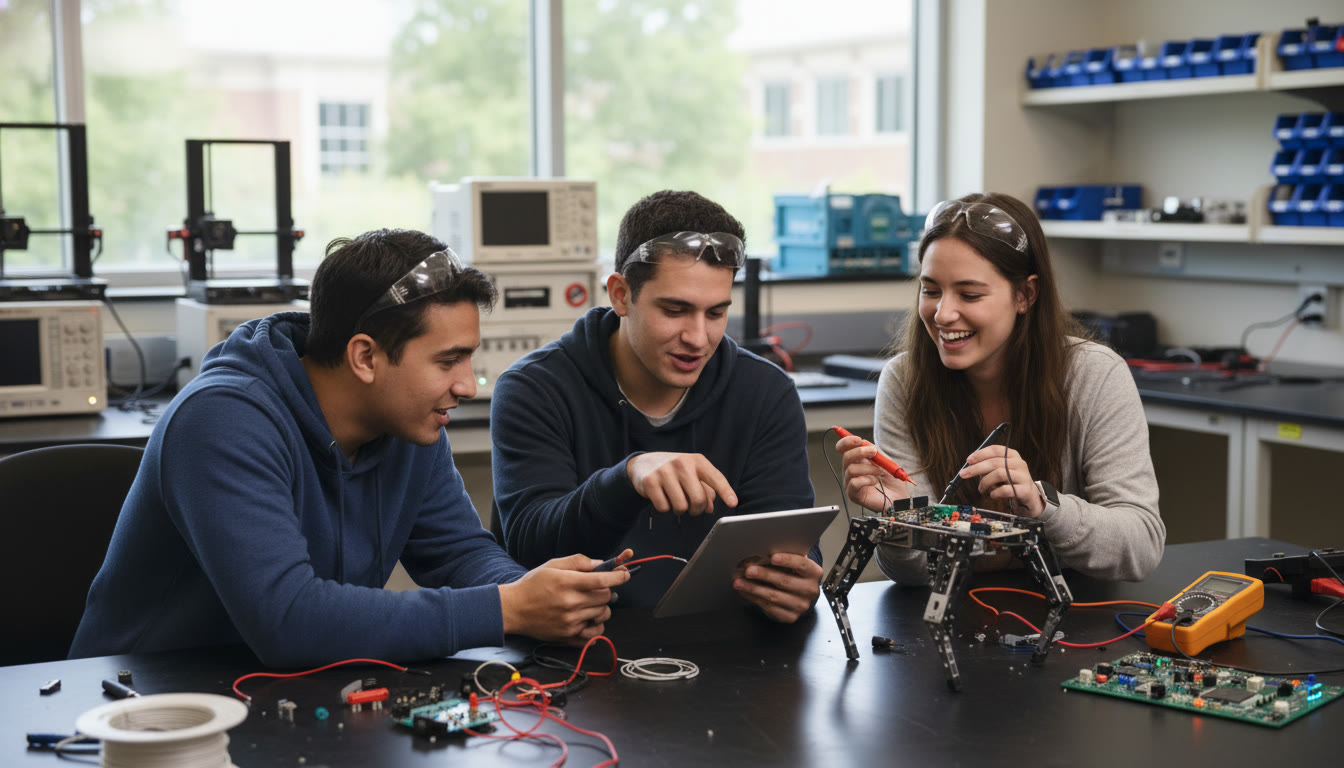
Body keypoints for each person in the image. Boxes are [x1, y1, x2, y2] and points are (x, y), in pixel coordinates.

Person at [71, 229, 628, 666]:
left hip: (289, 694)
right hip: (142, 706)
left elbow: (458, 554)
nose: (468, 386)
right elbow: (289, 619)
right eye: (448, 361)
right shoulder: (221, 420)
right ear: (365, 357)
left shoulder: (407, 421)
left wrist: (541, 593)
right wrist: (508, 608)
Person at [490, 190, 821, 622]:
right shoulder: (534, 389)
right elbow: (529, 548)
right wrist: (627, 478)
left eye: (716, 313)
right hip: (578, 652)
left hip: (721, 651)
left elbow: (787, 536)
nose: (698, 337)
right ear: (621, 294)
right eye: (675, 310)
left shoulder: (766, 392)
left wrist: (794, 582)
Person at [837, 192, 1164, 584]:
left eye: (970, 294)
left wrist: (1044, 508)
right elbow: (913, 574)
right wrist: (902, 517)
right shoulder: (904, 380)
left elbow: (1140, 547)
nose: (942, 314)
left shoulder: (1095, 375)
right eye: (931, 290)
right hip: (952, 618)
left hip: (1077, 622)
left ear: (1025, 294)